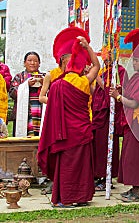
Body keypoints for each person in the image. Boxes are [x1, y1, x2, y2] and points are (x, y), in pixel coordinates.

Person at [38, 28, 99, 208]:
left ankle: (64, 196)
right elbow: (97, 66)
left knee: (66, 165)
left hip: (64, 133)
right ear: (80, 67)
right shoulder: (83, 81)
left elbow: (51, 108)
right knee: (81, 165)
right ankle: (80, 196)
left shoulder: (57, 85)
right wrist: (88, 47)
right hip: (81, 130)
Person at [109, 29, 139, 202]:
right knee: (130, 157)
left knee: (135, 158)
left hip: (138, 123)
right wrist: (122, 91)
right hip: (133, 124)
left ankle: (137, 192)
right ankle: (133, 188)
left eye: (136, 60)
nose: (133, 62)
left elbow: (136, 103)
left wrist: (118, 97)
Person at [92, 55, 127, 191]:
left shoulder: (120, 71)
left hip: (109, 114)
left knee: (106, 145)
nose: (106, 59)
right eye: (105, 56)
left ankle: (107, 178)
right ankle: (99, 175)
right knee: (97, 146)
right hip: (98, 113)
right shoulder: (103, 71)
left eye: (109, 56)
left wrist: (96, 77)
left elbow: (111, 92)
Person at [10, 52, 45, 136]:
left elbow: (53, 92)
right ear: (24, 63)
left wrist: (44, 83)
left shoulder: (45, 76)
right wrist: (26, 85)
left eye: (35, 61)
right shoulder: (19, 77)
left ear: (39, 64)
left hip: (41, 112)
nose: (32, 63)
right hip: (24, 113)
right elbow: (12, 93)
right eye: (29, 60)